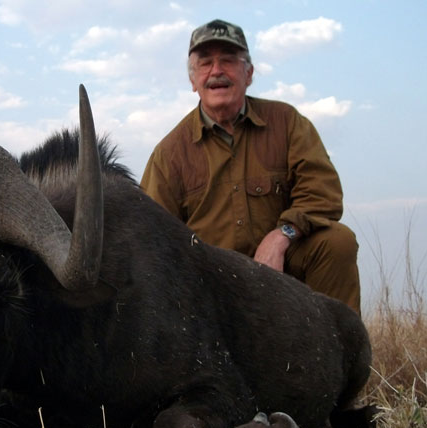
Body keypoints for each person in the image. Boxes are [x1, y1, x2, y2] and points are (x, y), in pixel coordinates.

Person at [140, 19, 361, 315]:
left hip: (283, 271)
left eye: (228, 61)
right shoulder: (168, 154)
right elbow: (151, 238)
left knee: (337, 241)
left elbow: (323, 194)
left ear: (249, 73)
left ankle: (340, 343)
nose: (216, 71)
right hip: (211, 290)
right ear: (193, 81)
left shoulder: (287, 122)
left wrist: (281, 236)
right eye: (205, 63)